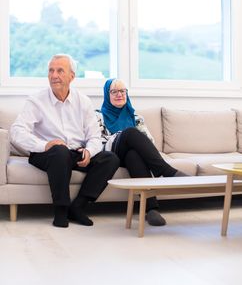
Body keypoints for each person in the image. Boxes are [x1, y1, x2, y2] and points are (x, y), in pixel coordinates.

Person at [10, 54, 120, 228]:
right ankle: (61, 209)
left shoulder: (83, 101)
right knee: (60, 151)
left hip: (74, 153)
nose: (54, 75)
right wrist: (44, 145)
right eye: (51, 71)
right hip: (46, 153)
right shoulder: (37, 100)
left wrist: (89, 152)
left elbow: (95, 136)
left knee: (110, 158)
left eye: (60, 71)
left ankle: (77, 207)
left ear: (72, 76)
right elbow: (16, 131)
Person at [96, 78, 187, 227]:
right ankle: (166, 170)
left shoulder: (136, 118)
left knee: (134, 155)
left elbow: (149, 143)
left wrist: (132, 140)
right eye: (114, 91)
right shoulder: (99, 116)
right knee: (130, 132)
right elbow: (98, 142)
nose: (119, 94)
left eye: (122, 91)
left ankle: (151, 209)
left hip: (128, 156)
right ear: (107, 94)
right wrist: (123, 135)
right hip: (111, 154)